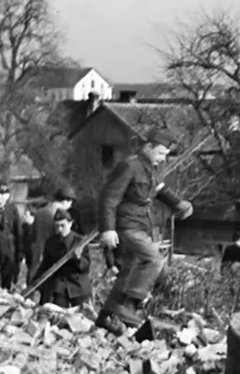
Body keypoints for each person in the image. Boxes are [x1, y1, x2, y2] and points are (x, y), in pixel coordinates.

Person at [96, 130, 192, 332]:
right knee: (154, 259)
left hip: (141, 224)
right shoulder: (129, 166)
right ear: (148, 147)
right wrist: (108, 229)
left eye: (165, 155)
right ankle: (131, 303)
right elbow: (109, 197)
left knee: (130, 269)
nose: (162, 159)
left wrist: (179, 204)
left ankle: (106, 316)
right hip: (126, 225)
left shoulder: (150, 169)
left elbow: (159, 191)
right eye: (160, 153)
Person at [38, 210, 91, 308]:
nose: (60, 229)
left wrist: (78, 258)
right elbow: (45, 265)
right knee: (57, 315)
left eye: (63, 225)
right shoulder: (51, 242)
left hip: (78, 286)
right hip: (60, 287)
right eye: (57, 226)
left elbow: (86, 266)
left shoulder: (80, 241)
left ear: (70, 224)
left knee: (83, 317)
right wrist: (36, 285)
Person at [31, 186, 77, 280]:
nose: (69, 207)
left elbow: (33, 233)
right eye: (70, 203)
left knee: (32, 282)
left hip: (37, 252)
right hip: (50, 256)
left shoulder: (40, 212)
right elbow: (60, 236)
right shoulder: (59, 216)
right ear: (65, 201)